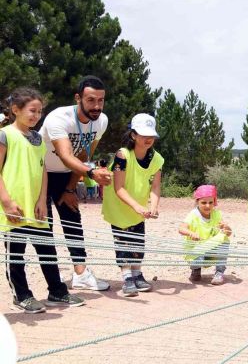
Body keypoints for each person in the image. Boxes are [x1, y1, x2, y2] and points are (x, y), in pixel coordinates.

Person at [1, 88, 85, 313]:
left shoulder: (38, 139)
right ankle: (22, 295)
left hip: (36, 205)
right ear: (15, 110)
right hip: (14, 205)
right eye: (32, 110)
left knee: (47, 249)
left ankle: (57, 291)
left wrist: (42, 201)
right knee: (15, 252)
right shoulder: (5, 134)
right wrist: (7, 202)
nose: (36, 115)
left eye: (40, 111)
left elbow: (43, 170)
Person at [40, 75, 112, 291]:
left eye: (101, 100)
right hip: (40, 173)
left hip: (67, 174)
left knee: (73, 223)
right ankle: (54, 286)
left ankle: (80, 274)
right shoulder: (59, 118)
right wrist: (91, 173)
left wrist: (71, 187)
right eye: (91, 100)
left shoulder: (102, 121)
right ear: (78, 98)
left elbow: (83, 153)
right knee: (44, 227)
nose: (96, 106)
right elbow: (65, 154)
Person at [101, 114, 163, 297]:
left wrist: (154, 205)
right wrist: (136, 206)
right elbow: (118, 188)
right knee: (122, 242)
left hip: (139, 209)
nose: (148, 139)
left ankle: (137, 273)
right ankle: (127, 277)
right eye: (143, 134)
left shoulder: (156, 158)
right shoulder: (123, 155)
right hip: (121, 207)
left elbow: (156, 185)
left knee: (138, 241)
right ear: (133, 135)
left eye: (151, 135)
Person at [179, 185, 232, 286]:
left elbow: (228, 234)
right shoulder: (193, 214)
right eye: (203, 202)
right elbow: (181, 228)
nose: (207, 206)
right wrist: (191, 233)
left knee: (224, 241)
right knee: (196, 262)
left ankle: (219, 273)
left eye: (210, 202)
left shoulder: (217, 214)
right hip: (196, 249)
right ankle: (196, 270)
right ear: (197, 202)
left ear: (214, 202)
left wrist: (227, 228)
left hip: (210, 249)